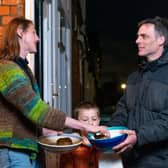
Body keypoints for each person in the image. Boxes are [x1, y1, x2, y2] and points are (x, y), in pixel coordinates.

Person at [0, 17, 107, 168]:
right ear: (20, 32)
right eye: (34, 33)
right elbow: (35, 109)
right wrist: (88, 127)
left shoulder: (25, 70)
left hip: (29, 149)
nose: (37, 38)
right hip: (14, 150)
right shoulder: (7, 69)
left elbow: (23, 113)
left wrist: (45, 129)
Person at [108, 16, 168, 168]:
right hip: (130, 158)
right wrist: (110, 134)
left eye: (144, 36)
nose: (137, 41)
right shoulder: (134, 77)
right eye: (137, 36)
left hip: (160, 161)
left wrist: (138, 136)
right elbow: (122, 111)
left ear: (161, 40)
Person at [60, 101, 101, 168]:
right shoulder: (70, 146)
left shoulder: (104, 144)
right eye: (85, 120)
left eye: (94, 119)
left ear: (99, 120)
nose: (90, 123)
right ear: (76, 123)